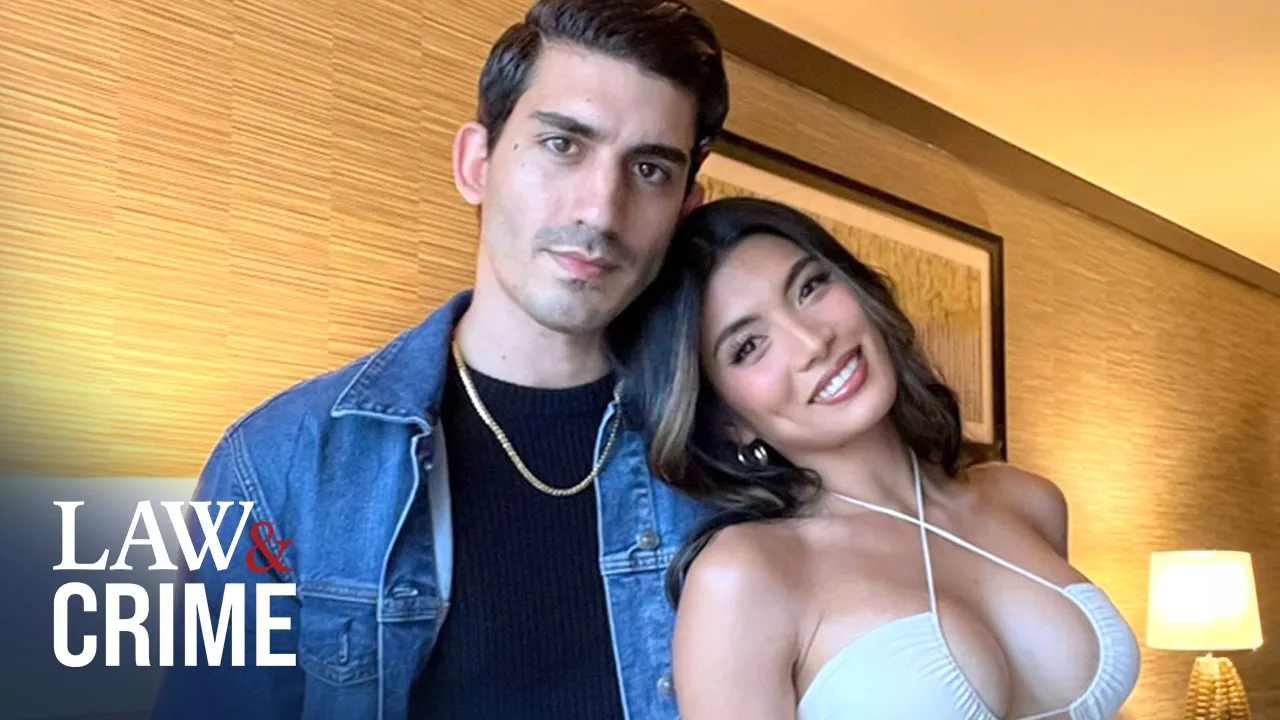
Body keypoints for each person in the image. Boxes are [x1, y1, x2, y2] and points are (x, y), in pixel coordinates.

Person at [149, 1, 728, 719]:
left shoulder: (726, 457)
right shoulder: (278, 465)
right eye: (562, 145)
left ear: (685, 208)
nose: (601, 211)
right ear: (476, 165)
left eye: (648, 169)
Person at [609, 196, 1141, 720]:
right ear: (727, 419)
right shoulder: (746, 576)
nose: (813, 341)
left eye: (810, 288)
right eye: (749, 346)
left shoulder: (1027, 500)